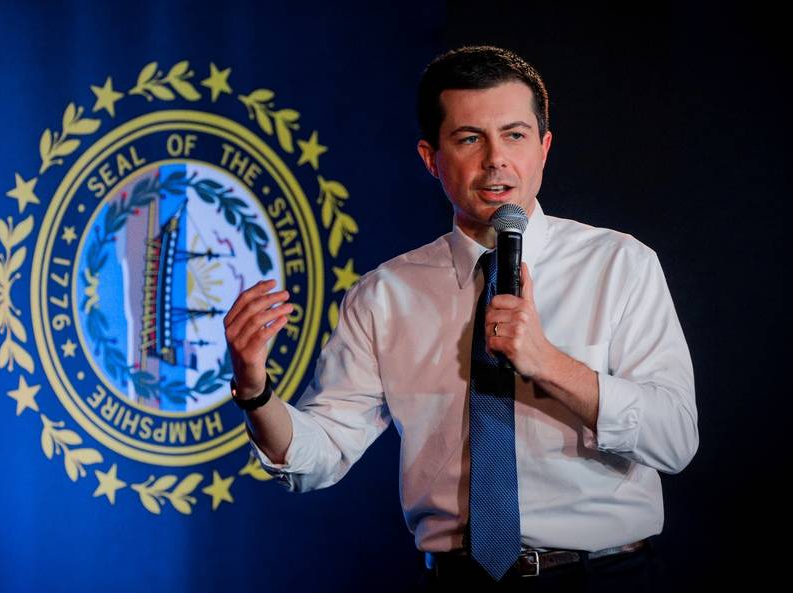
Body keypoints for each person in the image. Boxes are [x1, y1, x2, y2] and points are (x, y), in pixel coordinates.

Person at [223, 46, 698, 591]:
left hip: (607, 575)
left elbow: (675, 439)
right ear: (431, 157)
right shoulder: (384, 295)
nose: (496, 159)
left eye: (515, 135)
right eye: (470, 138)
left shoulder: (620, 264)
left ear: (543, 148)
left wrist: (547, 363)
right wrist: (255, 391)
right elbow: (319, 455)